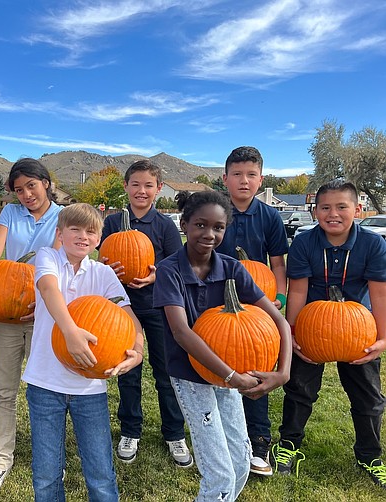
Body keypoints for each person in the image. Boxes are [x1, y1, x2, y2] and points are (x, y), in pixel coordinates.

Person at [153, 190, 291, 502]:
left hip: (229, 375)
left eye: (218, 227)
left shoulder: (232, 269)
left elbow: (279, 322)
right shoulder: (169, 270)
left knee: (241, 463)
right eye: (201, 225)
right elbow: (182, 333)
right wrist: (232, 377)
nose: (210, 234)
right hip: (191, 376)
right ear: (184, 224)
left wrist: (282, 373)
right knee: (220, 475)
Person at [22, 203, 144, 501]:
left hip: (90, 386)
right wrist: (70, 332)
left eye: (90, 231)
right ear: (59, 233)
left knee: (100, 472)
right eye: (74, 229)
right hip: (45, 382)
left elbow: (128, 315)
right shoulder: (47, 256)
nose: (82, 236)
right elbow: (49, 290)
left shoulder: (103, 274)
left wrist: (138, 349)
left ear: (99, 238)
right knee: (47, 473)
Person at [273, 180, 386, 487]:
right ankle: (289, 444)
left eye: (341, 207)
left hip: (358, 329)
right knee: (299, 390)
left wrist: (383, 338)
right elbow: (297, 291)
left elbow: (379, 294)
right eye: (325, 207)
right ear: (314, 211)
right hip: (313, 327)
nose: (332, 214)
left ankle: (370, 454)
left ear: (358, 210)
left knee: (368, 397)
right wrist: (293, 334)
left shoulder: (373, 244)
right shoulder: (304, 243)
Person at [0, 158, 62, 495]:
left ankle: (50, 460)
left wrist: (47, 303)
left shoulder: (63, 217)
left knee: (46, 392)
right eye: (19, 189)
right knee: (5, 390)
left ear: (46, 183)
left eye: (31, 186)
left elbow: (63, 262)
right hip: (7, 312)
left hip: (47, 312)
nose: (26, 194)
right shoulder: (9, 214)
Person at [99, 160, 191, 467]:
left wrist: (155, 276)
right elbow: (99, 262)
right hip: (121, 309)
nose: (141, 190)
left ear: (158, 189)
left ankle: (174, 432)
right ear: (125, 187)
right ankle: (130, 430)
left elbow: (177, 265)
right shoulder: (111, 223)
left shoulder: (164, 226)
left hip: (158, 307)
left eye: (148, 185)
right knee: (128, 371)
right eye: (135, 184)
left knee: (166, 372)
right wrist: (107, 269)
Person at [214, 146, 289, 476]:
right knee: (218, 373)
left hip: (258, 307)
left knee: (256, 369)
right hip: (216, 306)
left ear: (260, 179)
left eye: (251, 175)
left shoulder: (270, 216)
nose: (244, 181)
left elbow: (277, 264)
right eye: (237, 174)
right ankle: (222, 442)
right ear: (225, 177)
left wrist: (281, 300)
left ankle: (259, 444)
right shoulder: (215, 210)